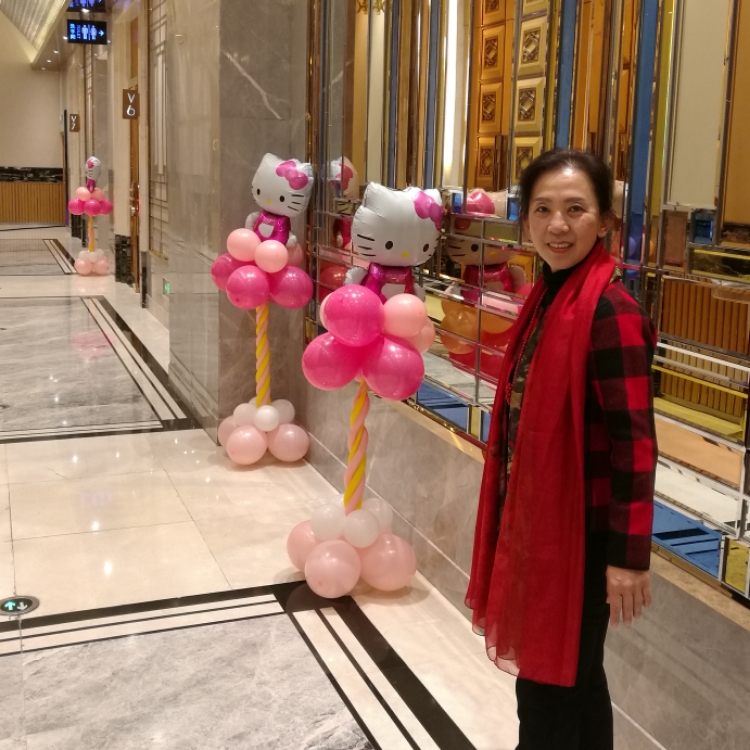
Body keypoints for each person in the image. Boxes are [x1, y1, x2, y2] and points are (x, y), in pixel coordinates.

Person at [465, 149, 657, 750]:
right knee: (577, 680)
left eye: (576, 209)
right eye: (543, 209)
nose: (557, 225)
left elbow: (635, 444)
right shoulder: (549, 295)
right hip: (541, 523)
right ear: (525, 219)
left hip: (580, 538)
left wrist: (627, 558)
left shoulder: (609, 310)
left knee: (547, 691)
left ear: (605, 221)